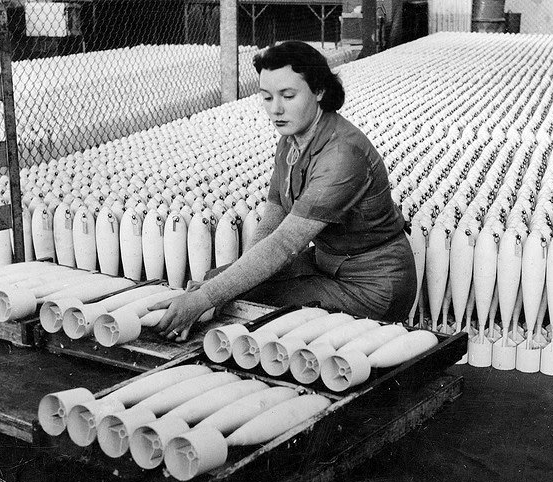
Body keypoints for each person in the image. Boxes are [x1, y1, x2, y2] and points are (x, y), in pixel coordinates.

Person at [153, 41, 416, 342]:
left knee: (250, 304)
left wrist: (205, 299)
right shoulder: (291, 142)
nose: (275, 109)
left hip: (372, 284)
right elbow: (272, 220)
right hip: (327, 264)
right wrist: (217, 287)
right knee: (221, 283)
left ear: (319, 91)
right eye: (266, 97)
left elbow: (285, 243)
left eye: (288, 96)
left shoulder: (342, 154)